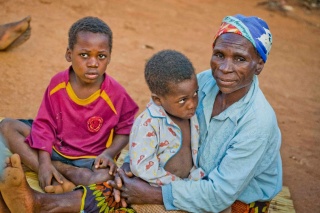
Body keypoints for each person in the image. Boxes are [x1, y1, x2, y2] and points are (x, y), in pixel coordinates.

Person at [0, 14, 282, 213]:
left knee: (145, 202)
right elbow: (162, 121)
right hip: (189, 171)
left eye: (240, 59)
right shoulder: (205, 83)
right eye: (220, 54)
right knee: (127, 182)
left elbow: (219, 194)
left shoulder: (257, 122)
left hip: (234, 202)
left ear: (259, 65)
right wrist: (134, 165)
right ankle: (41, 203)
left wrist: (152, 191)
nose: (224, 67)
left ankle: (45, 205)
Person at [0, 16, 139, 194]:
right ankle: (47, 168)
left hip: (88, 160)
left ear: (109, 57)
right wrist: (43, 161)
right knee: (7, 126)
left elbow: (126, 129)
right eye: (84, 55)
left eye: (101, 56)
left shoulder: (116, 94)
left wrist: (108, 154)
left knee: (105, 177)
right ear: (69, 54)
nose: (93, 63)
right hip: (53, 147)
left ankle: (58, 170)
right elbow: (45, 124)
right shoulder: (58, 84)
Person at [129, 49, 205, 187]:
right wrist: (179, 187)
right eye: (183, 100)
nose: (192, 104)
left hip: (190, 183)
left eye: (195, 93)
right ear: (158, 100)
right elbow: (141, 167)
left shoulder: (190, 116)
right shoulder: (149, 123)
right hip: (158, 187)